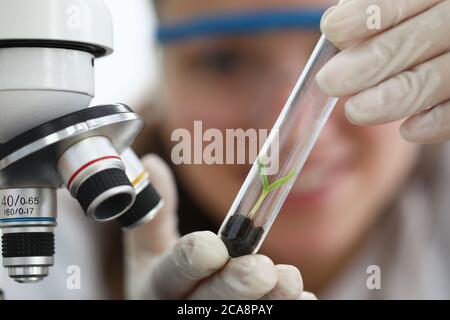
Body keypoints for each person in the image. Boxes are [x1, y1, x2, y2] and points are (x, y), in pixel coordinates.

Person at [125, 0, 450, 299]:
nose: (293, 138)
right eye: (224, 62)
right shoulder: (81, 233)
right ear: (160, 84)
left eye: (354, 54)